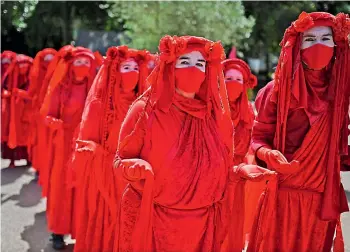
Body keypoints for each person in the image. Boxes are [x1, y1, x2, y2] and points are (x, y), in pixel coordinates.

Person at [113, 35, 236, 252]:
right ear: (170, 66)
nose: (193, 69)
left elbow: (225, 163)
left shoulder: (214, 115)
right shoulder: (145, 110)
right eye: (184, 62)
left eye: (200, 64)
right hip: (153, 222)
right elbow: (120, 161)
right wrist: (134, 167)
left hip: (203, 226)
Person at [248, 12, 349, 251]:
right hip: (282, 197)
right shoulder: (275, 92)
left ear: (336, 46)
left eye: (326, 38)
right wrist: (268, 154)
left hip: (320, 199)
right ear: (297, 45)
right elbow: (257, 139)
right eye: (310, 39)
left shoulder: (340, 95)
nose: (319, 45)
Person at [71, 45, 150, 252]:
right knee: (108, 217)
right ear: (115, 71)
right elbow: (87, 142)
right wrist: (94, 149)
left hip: (134, 176)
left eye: (135, 68)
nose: (132, 73)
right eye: (126, 68)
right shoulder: (100, 105)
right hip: (106, 173)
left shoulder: (145, 105)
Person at [40, 46, 98, 250]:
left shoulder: (95, 89)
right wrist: (54, 122)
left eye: (86, 63)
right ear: (71, 65)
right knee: (62, 187)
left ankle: (81, 230)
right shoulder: (61, 88)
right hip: (64, 144)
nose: (83, 66)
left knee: (83, 189)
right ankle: (57, 231)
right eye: (79, 62)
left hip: (85, 145)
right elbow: (47, 115)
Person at [26, 48, 57, 177]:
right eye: (46, 59)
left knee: (52, 144)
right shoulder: (36, 74)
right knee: (41, 142)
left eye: (51, 59)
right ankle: (39, 168)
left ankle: (49, 169)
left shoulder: (58, 74)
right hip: (39, 114)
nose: (49, 62)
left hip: (53, 113)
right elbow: (32, 93)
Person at [1, 52, 33, 167]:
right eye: (21, 65)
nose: (23, 68)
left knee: (27, 136)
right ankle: (12, 159)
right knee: (11, 134)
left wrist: (20, 94)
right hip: (12, 111)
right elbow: (4, 89)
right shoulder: (10, 77)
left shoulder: (32, 78)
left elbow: (34, 94)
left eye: (25, 65)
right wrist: (7, 94)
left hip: (26, 111)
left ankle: (28, 159)